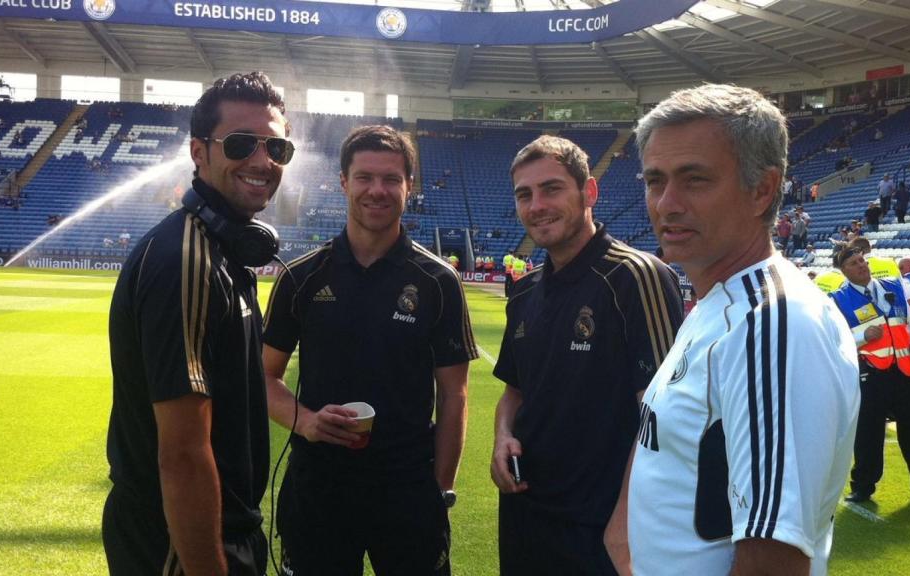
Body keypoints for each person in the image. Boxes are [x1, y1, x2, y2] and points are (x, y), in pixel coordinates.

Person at [608, 84, 859, 576]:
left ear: (762, 189)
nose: (666, 203)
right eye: (655, 180)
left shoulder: (771, 323)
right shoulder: (717, 302)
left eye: (694, 180)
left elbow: (775, 557)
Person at [263, 125, 476, 575]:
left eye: (391, 179)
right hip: (318, 489)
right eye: (364, 177)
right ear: (344, 182)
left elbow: (454, 395)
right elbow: (262, 376)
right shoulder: (300, 277)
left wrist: (441, 490)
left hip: (408, 491)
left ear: (409, 186)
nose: (377, 191)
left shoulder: (438, 282)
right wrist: (305, 421)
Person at [103, 71, 291, 576]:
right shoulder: (187, 262)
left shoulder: (224, 251)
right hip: (182, 542)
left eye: (277, 148)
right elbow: (183, 456)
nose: (262, 160)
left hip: (214, 531)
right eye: (241, 143)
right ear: (198, 151)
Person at [491, 135, 683, 575]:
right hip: (524, 515)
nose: (537, 204)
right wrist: (503, 437)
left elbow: (666, 418)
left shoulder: (635, 277)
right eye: (525, 194)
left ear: (589, 192)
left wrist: (624, 524)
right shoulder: (523, 292)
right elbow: (514, 392)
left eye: (552, 188)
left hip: (599, 530)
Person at [829, 243, 910, 507]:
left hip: (904, 372)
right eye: (853, 264)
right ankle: (863, 487)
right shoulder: (837, 299)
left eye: (862, 260)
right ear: (843, 271)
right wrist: (861, 336)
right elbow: (833, 339)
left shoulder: (894, 287)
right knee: (868, 433)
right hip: (871, 374)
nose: (861, 266)